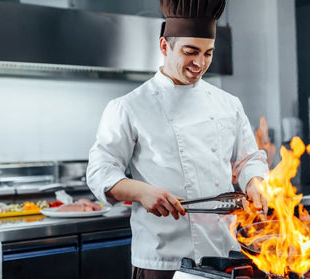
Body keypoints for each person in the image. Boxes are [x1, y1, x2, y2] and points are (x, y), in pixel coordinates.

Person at [86, 0, 270, 278]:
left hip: (224, 255)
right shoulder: (129, 107)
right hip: (161, 260)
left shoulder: (228, 103)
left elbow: (249, 159)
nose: (200, 63)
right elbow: (100, 171)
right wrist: (142, 192)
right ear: (164, 47)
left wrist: (255, 181)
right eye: (190, 52)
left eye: (208, 53)